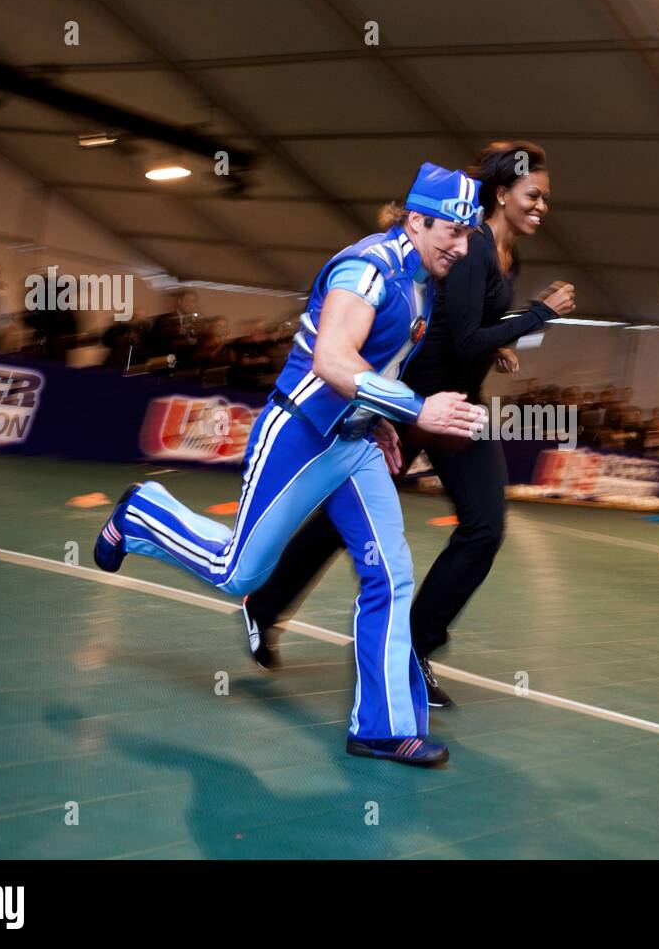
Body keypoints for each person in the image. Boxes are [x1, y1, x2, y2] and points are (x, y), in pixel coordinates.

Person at [93, 163, 488, 767]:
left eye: (469, 234)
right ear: (416, 219)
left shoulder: (421, 277)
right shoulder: (369, 268)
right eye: (453, 232)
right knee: (239, 574)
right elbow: (332, 358)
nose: (462, 247)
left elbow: (367, 367)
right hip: (300, 434)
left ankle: (382, 727)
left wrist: (379, 417)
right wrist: (413, 410)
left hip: (352, 441)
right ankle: (143, 511)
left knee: (390, 573)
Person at [241, 141, 575, 708]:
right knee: (343, 521)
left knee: (483, 527)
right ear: (502, 194)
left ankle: (412, 651)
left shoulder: (504, 257)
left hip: (457, 403)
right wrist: (539, 313)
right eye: (533, 195)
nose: (543, 206)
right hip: (415, 400)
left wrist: (505, 344)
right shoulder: (472, 252)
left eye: (545, 199)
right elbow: (466, 333)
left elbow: (472, 328)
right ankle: (264, 603)